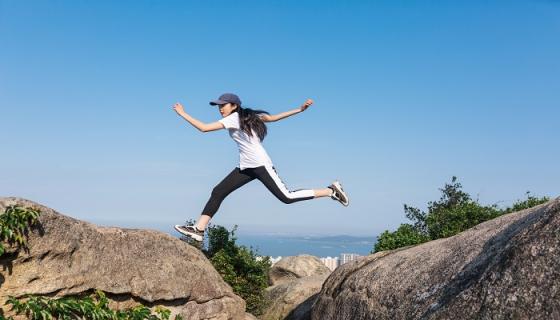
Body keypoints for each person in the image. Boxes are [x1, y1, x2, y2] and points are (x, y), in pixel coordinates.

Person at [172, 93, 349, 242]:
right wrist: (299, 109)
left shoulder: (234, 118)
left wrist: (183, 114)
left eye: (223, 105)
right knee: (218, 191)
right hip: (246, 166)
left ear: (234, 106)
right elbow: (272, 118)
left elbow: (203, 128)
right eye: (218, 106)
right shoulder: (246, 117)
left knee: (286, 197)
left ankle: (330, 191)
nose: (220, 109)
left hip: (260, 164)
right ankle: (199, 229)